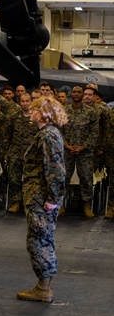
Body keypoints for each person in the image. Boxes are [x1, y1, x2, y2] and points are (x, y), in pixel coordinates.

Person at [18, 97, 67, 303]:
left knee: (38, 240)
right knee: (41, 238)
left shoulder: (48, 135)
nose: (31, 110)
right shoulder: (46, 134)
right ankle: (43, 285)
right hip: (38, 195)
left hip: (41, 197)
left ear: (45, 113)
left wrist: (53, 198)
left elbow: (55, 170)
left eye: (36, 108)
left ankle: (44, 288)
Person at [60, 84, 100, 217]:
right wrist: (66, 145)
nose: (76, 94)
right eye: (74, 92)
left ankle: (87, 205)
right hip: (67, 151)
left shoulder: (90, 112)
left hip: (85, 152)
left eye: (79, 92)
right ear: (71, 94)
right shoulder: (64, 111)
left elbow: (95, 133)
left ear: (83, 95)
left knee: (86, 179)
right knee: (63, 178)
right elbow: (59, 130)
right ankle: (60, 205)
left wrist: (84, 146)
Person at [4, 92, 37, 213]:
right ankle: (16, 202)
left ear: (31, 102)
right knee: (14, 178)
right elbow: (7, 136)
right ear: (19, 102)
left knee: (30, 180)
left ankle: (28, 202)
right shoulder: (13, 117)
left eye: (27, 101)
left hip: (31, 154)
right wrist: (6, 152)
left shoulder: (36, 118)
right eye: (23, 101)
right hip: (15, 153)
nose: (25, 103)